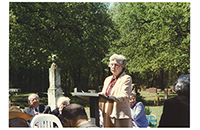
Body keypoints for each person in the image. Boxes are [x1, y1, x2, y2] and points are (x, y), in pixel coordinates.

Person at [99, 54, 132, 127]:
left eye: (116, 65)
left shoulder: (126, 78)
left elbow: (124, 96)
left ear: (122, 67)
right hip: (107, 113)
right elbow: (104, 93)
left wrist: (109, 97)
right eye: (111, 64)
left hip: (120, 114)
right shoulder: (107, 79)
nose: (113, 67)